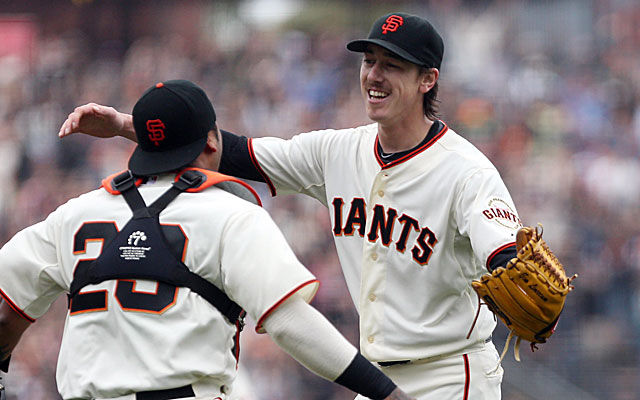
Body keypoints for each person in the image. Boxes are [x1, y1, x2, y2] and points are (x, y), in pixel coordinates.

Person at [59, 13, 525, 399]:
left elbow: (508, 258)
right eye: (370, 61)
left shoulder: (467, 171)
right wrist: (125, 125)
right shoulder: (336, 151)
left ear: (429, 79)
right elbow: (228, 152)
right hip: (379, 378)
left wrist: (511, 265)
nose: (374, 75)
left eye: (394, 65)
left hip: (450, 374)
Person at [1, 80, 415, 400]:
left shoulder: (74, 213)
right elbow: (290, 323)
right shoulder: (231, 215)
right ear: (213, 140)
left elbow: (7, 313)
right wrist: (386, 391)